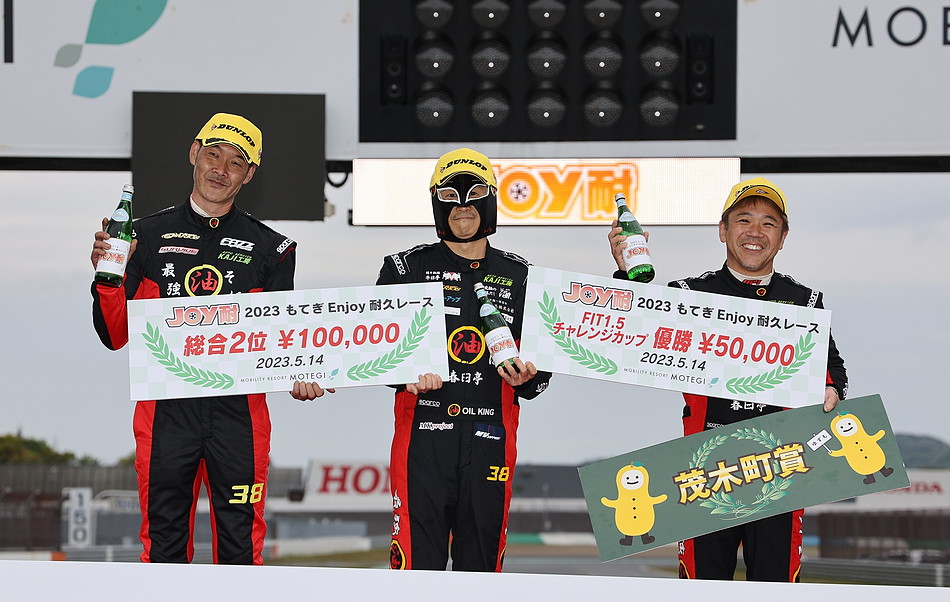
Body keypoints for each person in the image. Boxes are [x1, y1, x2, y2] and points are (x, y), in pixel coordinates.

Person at [90, 112, 330, 565]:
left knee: (241, 549)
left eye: (236, 162)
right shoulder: (143, 236)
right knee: (163, 547)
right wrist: (107, 277)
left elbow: (285, 339)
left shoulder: (274, 249)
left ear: (249, 175)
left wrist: (306, 372)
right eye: (213, 155)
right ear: (194, 154)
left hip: (239, 420)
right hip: (165, 416)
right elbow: (113, 335)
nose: (221, 169)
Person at [608, 176, 848, 582]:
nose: (755, 232)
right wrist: (626, 275)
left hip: (779, 469)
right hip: (703, 471)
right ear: (723, 230)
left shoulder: (805, 302)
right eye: (744, 220)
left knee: (775, 587)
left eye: (769, 223)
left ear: (783, 237)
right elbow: (627, 337)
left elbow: (833, 369)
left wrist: (832, 388)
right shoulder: (688, 294)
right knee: (701, 586)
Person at [377, 148, 552, 572]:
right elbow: (376, 352)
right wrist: (404, 374)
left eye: (474, 194)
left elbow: (542, 372)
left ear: (490, 199)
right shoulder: (403, 268)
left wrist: (528, 379)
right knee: (415, 568)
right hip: (423, 436)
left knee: (482, 569)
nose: (462, 206)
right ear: (436, 202)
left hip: (491, 436)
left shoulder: (523, 275)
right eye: (450, 196)